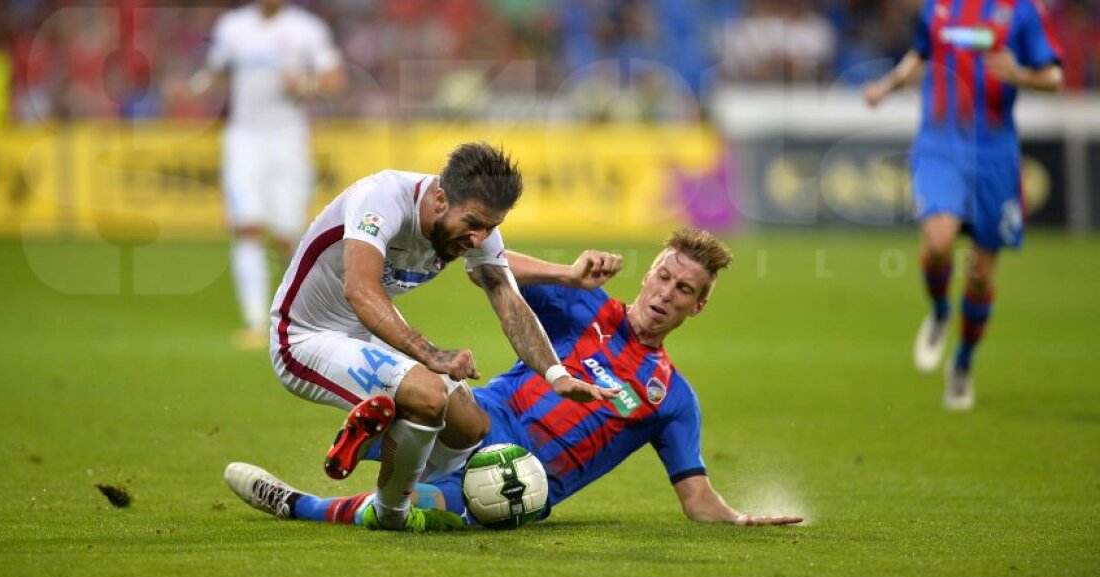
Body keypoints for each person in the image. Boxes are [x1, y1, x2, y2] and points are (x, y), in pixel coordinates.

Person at [224, 227, 803, 529]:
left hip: (518, 482)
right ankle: (375, 436)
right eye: (663, 276)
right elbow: (486, 271)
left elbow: (696, 496)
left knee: (410, 511)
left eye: (683, 290)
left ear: (695, 307)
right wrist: (568, 274)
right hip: (491, 417)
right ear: (648, 274)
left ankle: (309, 493)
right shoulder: (586, 307)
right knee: (456, 404)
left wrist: (740, 517)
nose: (664, 294)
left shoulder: (672, 399)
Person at [231, 142, 618, 532]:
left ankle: (388, 444)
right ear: (439, 198)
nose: (480, 239)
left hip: (367, 332)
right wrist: (429, 354)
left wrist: (557, 375)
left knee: (470, 425)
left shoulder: (475, 229)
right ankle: (392, 511)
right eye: (473, 223)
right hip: (304, 339)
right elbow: (360, 289)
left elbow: (508, 300)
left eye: (492, 228)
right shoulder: (380, 198)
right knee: (428, 394)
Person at [863, 0, 1064, 410]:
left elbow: (1054, 76)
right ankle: (938, 312)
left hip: (994, 152)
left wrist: (1019, 74)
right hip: (939, 143)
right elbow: (921, 54)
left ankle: (964, 364)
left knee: (980, 271)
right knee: (937, 240)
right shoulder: (938, 1)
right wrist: (887, 85)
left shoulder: (1022, 9)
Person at [174, 0, 347, 348]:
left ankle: (307, 313)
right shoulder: (233, 26)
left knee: (288, 235)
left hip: (287, 141)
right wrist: (190, 89)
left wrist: (304, 85)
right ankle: (255, 322)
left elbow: (335, 80)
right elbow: (213, 72)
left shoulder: (307, 29)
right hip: (243, 140)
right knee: (246, 225)